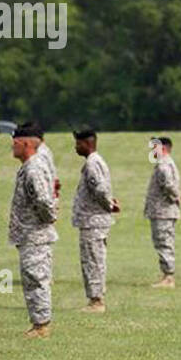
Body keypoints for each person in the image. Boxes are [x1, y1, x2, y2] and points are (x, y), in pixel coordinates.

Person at [9, 122, 59, 338]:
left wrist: (48, 220)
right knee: (32, 279)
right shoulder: (30, 166)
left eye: (15, 143)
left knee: (36, 279)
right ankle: (38, 324)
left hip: (35, 234)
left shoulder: (34, 168)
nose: (12, 147)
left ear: (27, 143)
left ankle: (42, 326)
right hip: (30, 234)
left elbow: (44, 202)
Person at [72, 129, 120, 313]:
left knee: (92, 260)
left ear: (87, 144)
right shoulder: (97, 161)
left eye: (78, 144)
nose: (76, 148)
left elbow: (99, 190)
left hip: (92, 222)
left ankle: (96, 301)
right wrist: (110, 203)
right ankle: (96, 298)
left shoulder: (92, 163)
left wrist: (108, 204)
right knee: (96, 259)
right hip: (95, 221)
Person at [144, 136, 181, 288]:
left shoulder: (163, 164)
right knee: (165, 241)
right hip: (165, 211)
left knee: (163, 242)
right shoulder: (168, 162)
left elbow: (167, 183)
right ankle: (167, 274)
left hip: (162, 211)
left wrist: (175, 196)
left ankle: (168, 277)